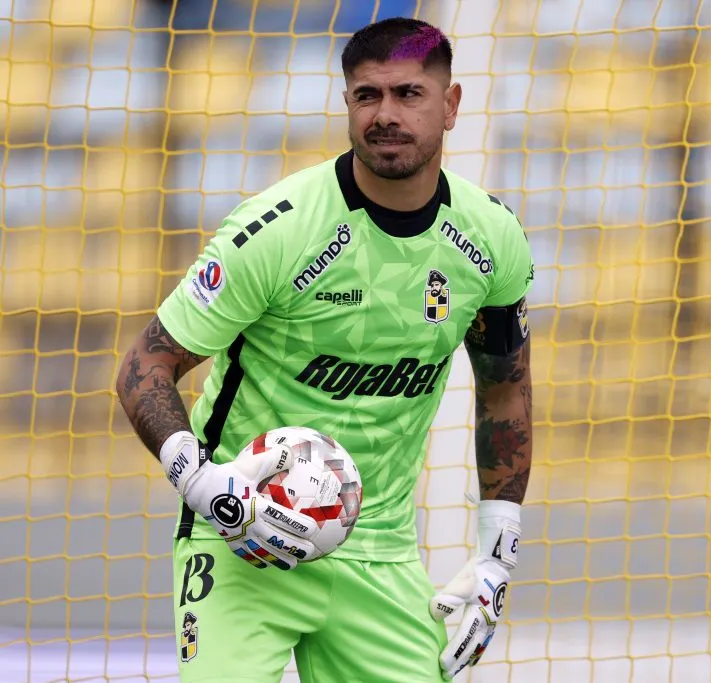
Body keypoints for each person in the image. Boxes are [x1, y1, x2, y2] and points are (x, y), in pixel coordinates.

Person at [115, 17, 534, 682]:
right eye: (367, 96)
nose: (386, 115)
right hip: (242, 540)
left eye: (408, 94)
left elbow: (505, 386)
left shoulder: (490, 238)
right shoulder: (277, 230)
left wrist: (496, 553)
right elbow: (144, 368)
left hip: (380, 553)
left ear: (451, 106)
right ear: (346, 105)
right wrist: (204, 485)